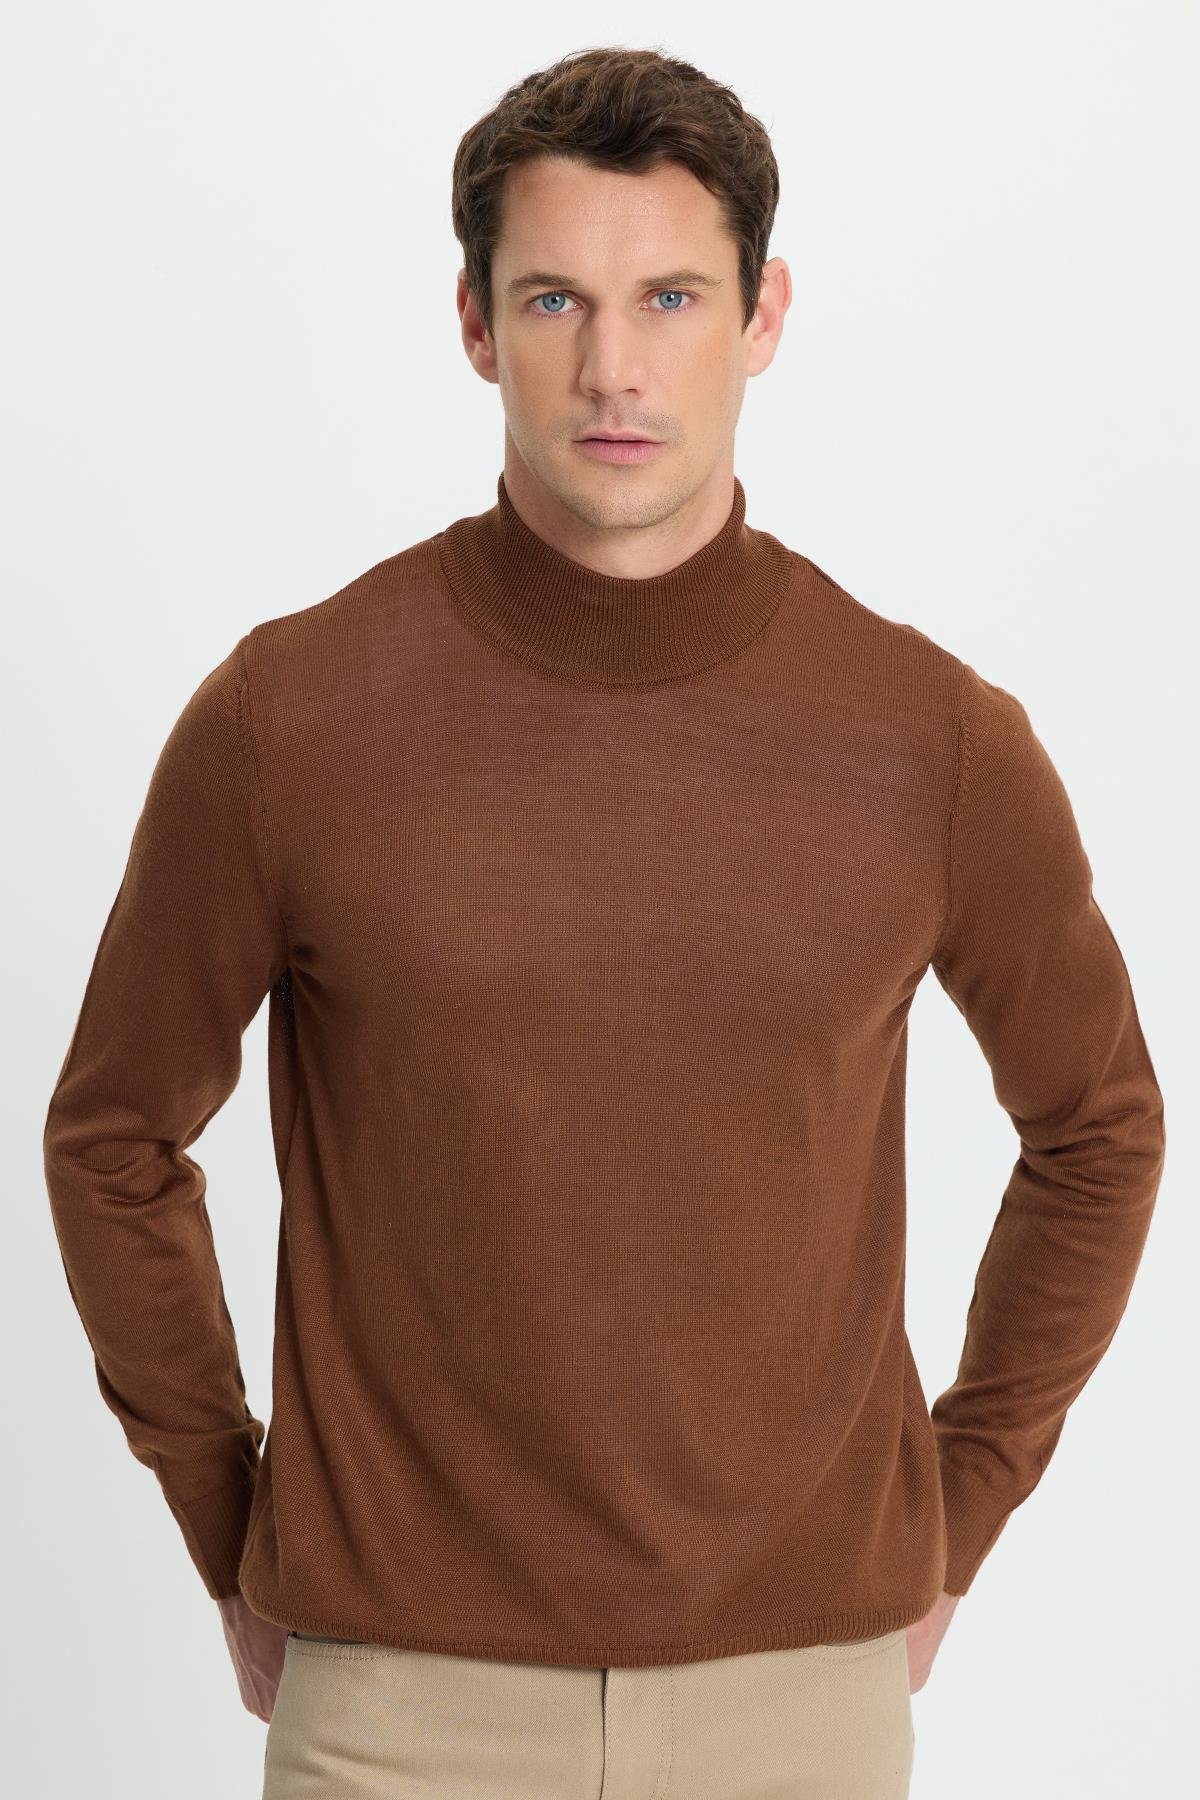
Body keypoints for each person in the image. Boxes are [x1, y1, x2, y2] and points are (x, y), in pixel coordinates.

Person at [43, 43, 1166, 1800]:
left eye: (672, 298)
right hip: (396, 1709)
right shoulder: (291, 720)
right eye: (556, 298)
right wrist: (226, 1517)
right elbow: (112, 1137)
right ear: (476, 324)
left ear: (764, 316)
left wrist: (960, 1508)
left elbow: (1099, 1128)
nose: (614, 367)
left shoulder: (929, 739)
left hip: (798, 1704)